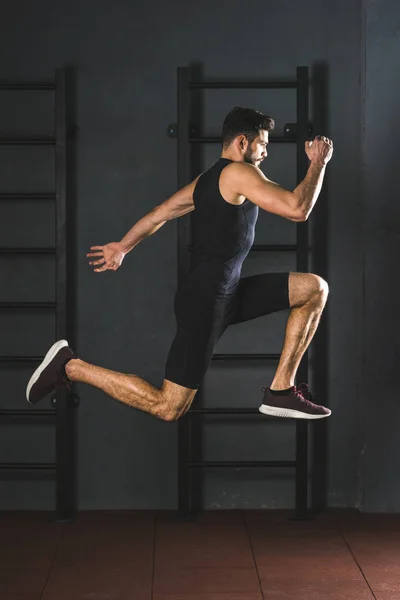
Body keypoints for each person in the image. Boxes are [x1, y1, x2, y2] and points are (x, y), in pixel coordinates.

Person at [26, 107, 332, 421]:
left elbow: (162, 212)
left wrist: (123, 246)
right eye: (262, 144)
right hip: (205, 302)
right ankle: (70, 366)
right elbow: (297, 208)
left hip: (227, 293)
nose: (266, 151)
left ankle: (281, 390)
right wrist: (318, 163)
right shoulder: (240, 173)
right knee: (169, 407)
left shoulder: (208, 181)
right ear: (243, 142)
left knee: (313, 289)